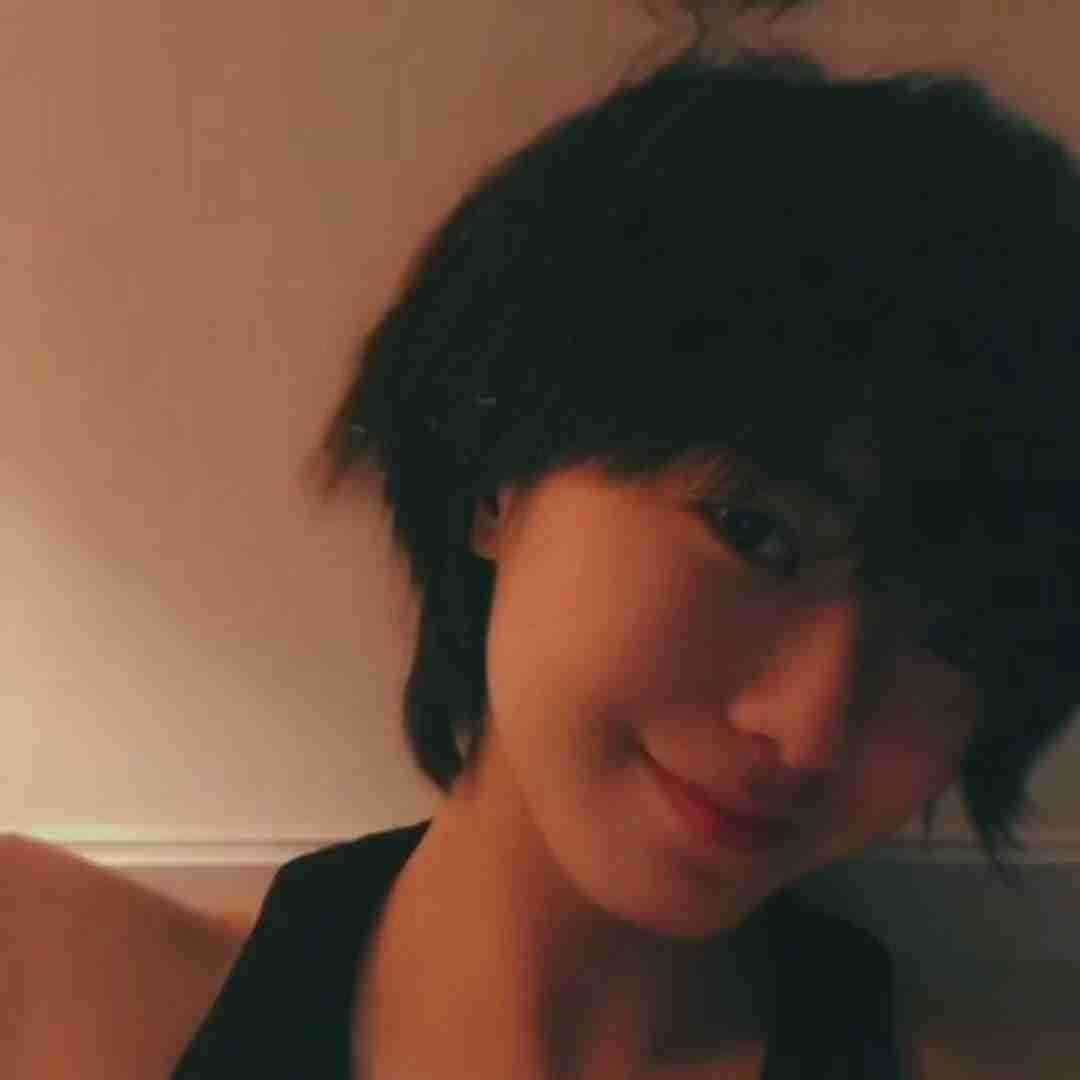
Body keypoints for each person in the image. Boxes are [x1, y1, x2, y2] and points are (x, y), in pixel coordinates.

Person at [172, 45, 1080, 1080]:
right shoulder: (85, 995)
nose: (810, 729)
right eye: (755, 534)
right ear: (500, 476)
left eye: (951, 635)